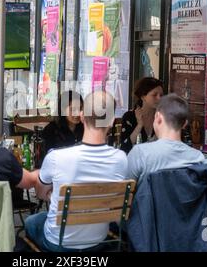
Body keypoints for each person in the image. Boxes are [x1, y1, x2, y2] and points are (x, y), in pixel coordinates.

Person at [25, 91, 129, 252]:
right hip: (97, 241)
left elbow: (39, 194)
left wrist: (53, 196)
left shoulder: (56, 157)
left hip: (60, 243)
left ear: (82, 116)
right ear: (112, 121)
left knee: (32, 222)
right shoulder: (121, 159)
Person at [127, 93, 205, 184]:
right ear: (184, 124)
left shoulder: (140, 154)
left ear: (158, 117)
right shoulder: (198, 158)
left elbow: (126, 192)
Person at [120, 77, 163, 154]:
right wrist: (139, 125)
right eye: (154, 95)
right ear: (143, 97)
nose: (159, 98)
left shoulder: (163, 117)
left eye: (161, 95)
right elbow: (124, 148)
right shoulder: (130, 117)